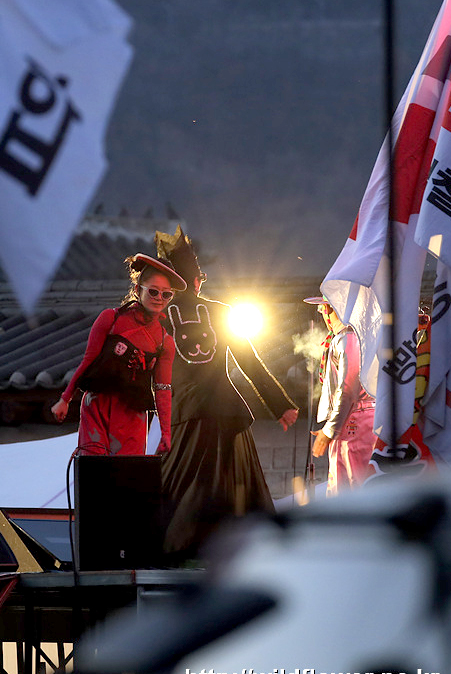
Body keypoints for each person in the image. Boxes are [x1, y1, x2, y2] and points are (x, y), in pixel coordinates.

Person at [154, 227, 299, 561]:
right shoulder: (221, 311)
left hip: (183, 414)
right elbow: (249, 361)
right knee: (238, 489)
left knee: (180, 485)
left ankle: (178, 550)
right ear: (196, 280)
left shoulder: (157, 317)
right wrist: (281, 405)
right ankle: (251, 550)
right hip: (226, 412)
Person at [51, 252, 185, 456]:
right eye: (153, 291)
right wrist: (65, 399)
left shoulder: (165, 342)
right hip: (98, 406)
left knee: (127, 471)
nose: (159, 298)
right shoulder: (110, 319)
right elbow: (88, 360)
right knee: (94, 468)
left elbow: (162, 388)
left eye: (166, 294)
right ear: (138, 289)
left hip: (133, 415)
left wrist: (166, 432)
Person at [307, 295, 375, 495]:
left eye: (323, 307)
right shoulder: (349, 337)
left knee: (353, 490)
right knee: (344, 486)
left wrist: (330, 429)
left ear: (332, 308)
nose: (321, 312)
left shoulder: (349, 338)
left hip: (356, 421)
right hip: (352, 420)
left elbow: (347, 390)